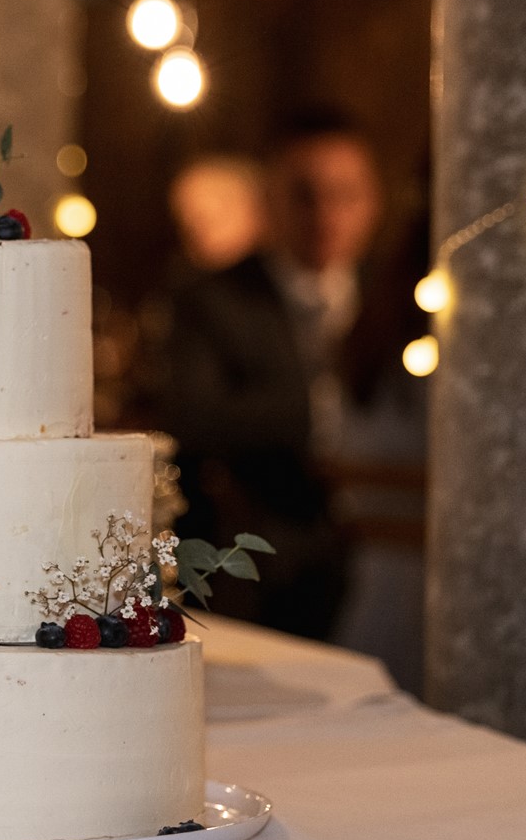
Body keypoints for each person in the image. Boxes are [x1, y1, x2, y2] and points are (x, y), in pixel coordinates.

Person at [148, 108, 384, 640]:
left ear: (373, 200)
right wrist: (318, 413)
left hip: (395, 561)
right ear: (270, 199)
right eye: (304, 194)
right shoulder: (212, 297)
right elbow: (191, 416)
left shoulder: (401, 299)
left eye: (346, 194)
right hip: (266, 565)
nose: (326, 214)